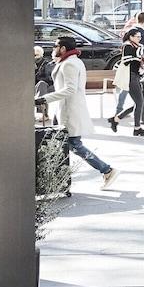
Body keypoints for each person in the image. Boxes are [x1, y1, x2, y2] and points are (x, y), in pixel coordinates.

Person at [48, 36, 117, 188]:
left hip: (69, 110)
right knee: (59, 144)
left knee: (73, 145)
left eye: (55, 46)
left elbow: (70, 89)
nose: (53, 49)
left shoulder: (69, 64)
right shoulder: (69, 61)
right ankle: (57, 178)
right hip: (62, 109)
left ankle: (106, 169)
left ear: (63, 48)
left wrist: (45, 99)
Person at [107, 29, 144, 135]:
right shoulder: (127, 46)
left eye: (140, 37)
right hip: (129, 77)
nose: (139, 39)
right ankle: (136, 128)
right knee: (139, 102)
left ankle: (116, 119)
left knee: (139, 102)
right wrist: (139, 58)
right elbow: (126, 60)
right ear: (131, 37)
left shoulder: (136, 46)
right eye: (137, 37)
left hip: (135, 76)